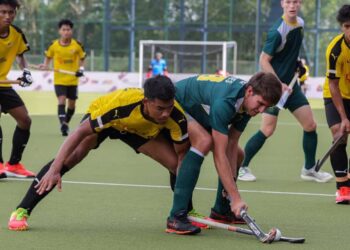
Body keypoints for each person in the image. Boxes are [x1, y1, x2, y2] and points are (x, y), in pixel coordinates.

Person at [7, 76, 206, 231]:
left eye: (169, 108)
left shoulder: (176, 117)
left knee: (174, 164)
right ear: (146, 101)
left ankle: (185, 212)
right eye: (160, 108)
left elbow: (181, 160)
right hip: (109, 123)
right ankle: (22, 210)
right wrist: (55, 168)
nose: (165, 114)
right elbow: (79, 133)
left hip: (138, 131)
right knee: (73, 157)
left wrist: (181, 203)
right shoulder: (120, 106)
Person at [165, 72, 282, 235]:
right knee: (204, 141)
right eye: (260, 103)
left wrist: (231, 191)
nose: (261, 110)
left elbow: (232, 144)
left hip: (202, 110)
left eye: (266, 107)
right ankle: (176, 216)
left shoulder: (247, 104)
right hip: (180, 102)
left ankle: (221, 210)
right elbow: (220, 155)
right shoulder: (226, 102)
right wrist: (236, 197)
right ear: (249, 91)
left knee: (239, 155)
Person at [238, 0, 333, 183]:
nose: (292, 5)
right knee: (267, 129)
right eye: (288, 1)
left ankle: (309, 169)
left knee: (310, 125)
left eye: (296, 2)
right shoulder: (277, 31)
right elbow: (264, 60)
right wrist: (278, 83)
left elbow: (290, 52)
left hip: (292, 87)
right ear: (282, 3)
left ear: (300, 4)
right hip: (274, 89)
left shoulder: (300, 24)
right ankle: (241, 166)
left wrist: (297, 65)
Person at [0, 0, 36, 178]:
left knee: (25, 120)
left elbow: (20, 56)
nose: (7, 16)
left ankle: (13, 164)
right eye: (3, 12)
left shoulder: (16, 33)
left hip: (3, 84)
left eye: (11, 12)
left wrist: (26, 72)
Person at [38, 19, 86, 136]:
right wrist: (45, 66)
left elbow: (82, 58)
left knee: (72, 105)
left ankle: (65, 123)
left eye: (68, 29)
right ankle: (63, 125)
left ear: (71, 31)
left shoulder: (77, 45)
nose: (66, 32)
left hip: (73, 80)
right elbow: (48, 57)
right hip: (59, 80)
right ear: (59, 31)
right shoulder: (54, 45)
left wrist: (81, 70)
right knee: (61, 100)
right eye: (63, 30)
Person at [323, 4, 350, 204]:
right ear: (342, 27)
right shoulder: (335, 50)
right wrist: (343, 118)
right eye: (347, 26)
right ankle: (343, 188)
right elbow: (333, 85)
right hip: (336, 94)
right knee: (339, 135)